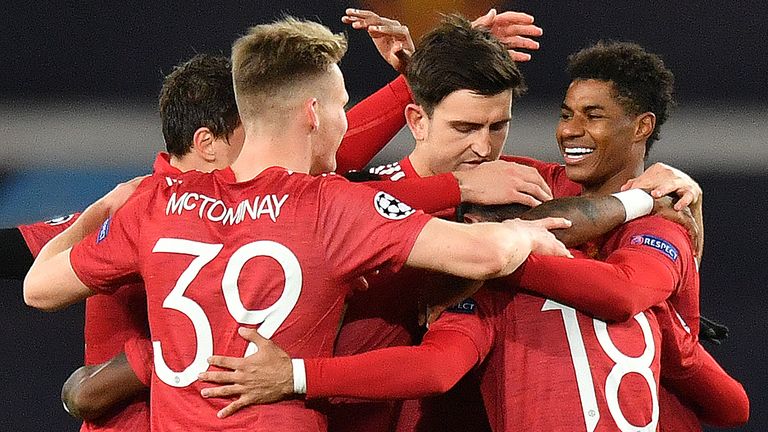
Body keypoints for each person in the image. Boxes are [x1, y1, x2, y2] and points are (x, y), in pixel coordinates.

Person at [23, 16, 572, 432]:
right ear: (313, 113)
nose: (343, 119)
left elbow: (39, 288)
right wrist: (524, 230)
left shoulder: (154, 202)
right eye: (341, 104)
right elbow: (487, 255)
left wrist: (104, 207)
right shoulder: (329, 207)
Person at [190, 41, 750, 431]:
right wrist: (456, 191)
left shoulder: (519, 187)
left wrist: (653, 192)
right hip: (325, 418)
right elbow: (307, 173)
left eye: (498, 126)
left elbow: (585, 211)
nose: (485, 147)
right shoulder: (349, 200)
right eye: (464, 128)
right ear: (417, 120)